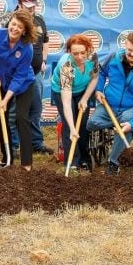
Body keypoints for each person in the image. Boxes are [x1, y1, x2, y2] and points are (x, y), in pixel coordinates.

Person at [86, 30, 133, 175]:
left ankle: (113, 163)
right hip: (110, 106)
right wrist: (99, 89)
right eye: (130, 50)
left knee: (126, 122)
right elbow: (100, 71)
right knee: (91, 124)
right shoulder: (114, 57)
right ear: (125, 44)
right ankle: (118, 127)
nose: (132, 54)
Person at [0, 0, 53, 156]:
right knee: (13, 113)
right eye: (27, 6)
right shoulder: (9, 21)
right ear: (19, 4)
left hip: (35, 73)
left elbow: (45, 40)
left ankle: (36, 142)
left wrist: (44, 60)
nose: (31, 8)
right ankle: (13, 146)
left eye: (33, 5)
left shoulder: (40, 20)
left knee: (35, 109)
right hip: (14, 77)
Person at [0, 9, 38, 171]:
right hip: (2, 81)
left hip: (24, 85)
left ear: (24, 31)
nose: (14, 29)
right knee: (1, 120)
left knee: (21, 118)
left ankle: (26, 163)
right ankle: (6, 157)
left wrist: (5, 100)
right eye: (13, 24)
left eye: (19, 27)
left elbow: (20, 77)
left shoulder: (27, 48)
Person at [50, 34, 98, 174]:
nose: (79, 57)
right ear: (69, 52)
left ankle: (84, 158)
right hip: (62, 92)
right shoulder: (66, 66)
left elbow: (94, 79)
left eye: (82, 52)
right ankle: (72, 162)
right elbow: (66, 103)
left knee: (83, 124)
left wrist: (84, 99)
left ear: (88, 50)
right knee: (69, 126)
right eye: (75, 53)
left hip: (83, 90)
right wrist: (72, 128)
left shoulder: (92, 57)